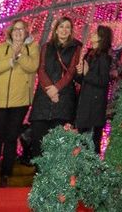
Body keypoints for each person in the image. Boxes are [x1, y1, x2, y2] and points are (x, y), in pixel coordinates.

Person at [0, 19, 39, 184]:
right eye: (15, 29)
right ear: (11, 32)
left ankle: (6, 173)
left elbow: (32, 67)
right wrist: (10, 61)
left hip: (20, 100)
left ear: (26, 32)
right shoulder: (2, 47)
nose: (18, 32)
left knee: (10, 137)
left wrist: (20, 55)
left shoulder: (32, 47)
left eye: (21, 29)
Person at [28, 17, 82, 160]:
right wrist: (49, 90)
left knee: (59, 143)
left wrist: (56, 88)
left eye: (67, 27)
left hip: (63, 100)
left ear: (71, 31)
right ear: (56, 29)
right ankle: (39, 176)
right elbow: (41, 69)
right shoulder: (46, 46)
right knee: (38, 141)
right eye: (61, 27)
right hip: (43, 100)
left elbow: (71, 71)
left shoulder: (76, 47)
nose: (64, 30)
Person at [75, 25, 115, 153]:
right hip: (85, 103)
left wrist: (87, 73)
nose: (92, 34)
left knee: (92, 141)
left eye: (95, 33)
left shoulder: (104, 57)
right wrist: (80, 73)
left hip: (94, 106)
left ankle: (93, 170)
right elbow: (83, 79)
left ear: (101, 38)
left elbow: (103, 81)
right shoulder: (89, 54)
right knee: (82, 140)